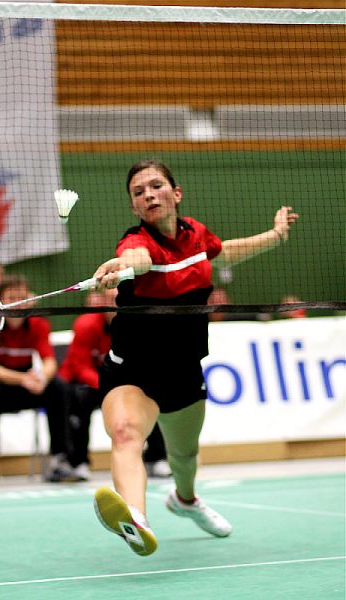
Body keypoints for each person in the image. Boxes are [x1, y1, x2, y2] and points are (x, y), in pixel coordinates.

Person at [91, 158, 299, 556]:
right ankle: (136, 519)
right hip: (131, 370)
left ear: (176, 193)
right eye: (139, 192)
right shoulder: (136, 244)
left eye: (155, 186)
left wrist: (275, 236)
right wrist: (122, 266)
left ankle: (185, 500)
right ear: (135, 208)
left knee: (184, 456)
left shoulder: (196, 235)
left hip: (183, 370)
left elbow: (222, 252)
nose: (149, 194)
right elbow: (138, 260)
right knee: (126, 434)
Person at [0, 274, 74, 487]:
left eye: (22, 296)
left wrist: (41, 378)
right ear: (1, 300)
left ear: (29, 300)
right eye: (12, 296)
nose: (18, 301)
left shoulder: (38, 325)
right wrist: (24, 379)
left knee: (57, 387)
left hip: (21, 384)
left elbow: (49, 362)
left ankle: (59, 461)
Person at [58, 288, 170, 481]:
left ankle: (156, 457)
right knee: (78, 397)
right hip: (91, 384)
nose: (115, 305)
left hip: (123, 383)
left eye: (120, 299)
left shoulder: (138, 324)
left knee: (153, 391)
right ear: (101, 301)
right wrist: (109, 386)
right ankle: (79, 462)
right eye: (110, 300)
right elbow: (80, 366)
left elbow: (145, 363)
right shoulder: (86, 325)